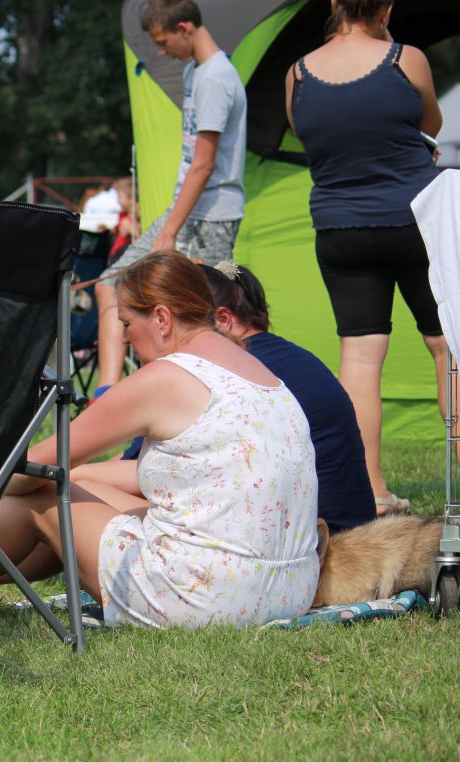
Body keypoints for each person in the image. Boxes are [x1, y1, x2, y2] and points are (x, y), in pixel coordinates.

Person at [0, 251, 319, 628]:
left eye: (126, 324)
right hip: (288, 589)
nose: (126, 339)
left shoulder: (166, 378)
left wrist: (21, 482)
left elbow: (29, 465)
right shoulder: (259, 373)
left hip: (209, 600)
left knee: (44, 497)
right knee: (78, 490)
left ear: (163, 319)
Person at [284, 0, 445, 516]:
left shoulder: (298, 74)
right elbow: (432, 125)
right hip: (414, 221)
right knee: (446, 347)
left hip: (340, 228)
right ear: (388, 7)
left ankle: (373, 491)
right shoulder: (405, 59)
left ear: (333, 4)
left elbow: (306, 135)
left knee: (358, 357)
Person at [76, 261, 376, 535]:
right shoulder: (286, 360)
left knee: (72, 494)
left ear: (223, 318)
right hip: (345, 537)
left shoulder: (217, 372)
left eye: (195, 318)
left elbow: (139, 476)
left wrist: (67, 473)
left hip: (311, 546)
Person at [92, 0, 247, 402]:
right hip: (185, 210)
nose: (161, 52)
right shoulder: (195, 71)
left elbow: (205, 164)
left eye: (163, 42)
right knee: (111, 282)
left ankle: (218, 397)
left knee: (207, 311)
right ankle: (107, 394)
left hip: (212, 216)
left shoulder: (216, 77)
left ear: (184, 27)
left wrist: (169, 231)